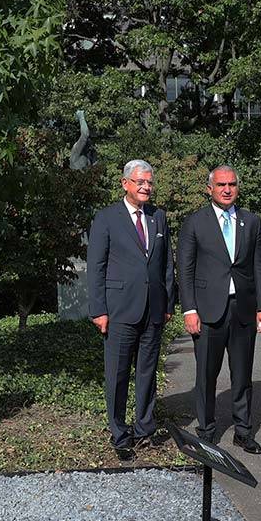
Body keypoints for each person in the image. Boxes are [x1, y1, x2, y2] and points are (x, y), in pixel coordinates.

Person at [177, 165, 261, 454]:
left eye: (232, 184)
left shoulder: (251, 221)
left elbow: (260, 266)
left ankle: (243, 431)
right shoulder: (195, 223)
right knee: (206, 374)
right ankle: (206, 431)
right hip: (207, 312)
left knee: (242, 374)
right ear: (210, 189)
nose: (227, 189)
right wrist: (189, 309)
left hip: (242, 309)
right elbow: (186, 268)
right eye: (221, 185)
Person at [87, 160, 175, 462]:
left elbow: (166, 265)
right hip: (119, 310)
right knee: (118, 374)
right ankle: (120, 433)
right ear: (125, 183)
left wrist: (167, 304)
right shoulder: (106, 218)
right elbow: (96, 267)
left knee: (148, 373)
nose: (146, 187)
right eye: (140, 182)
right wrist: (98, 309)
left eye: (149, 182)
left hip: (153, 310)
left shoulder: (158, 217)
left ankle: (144, 429)